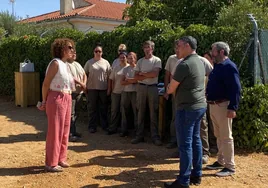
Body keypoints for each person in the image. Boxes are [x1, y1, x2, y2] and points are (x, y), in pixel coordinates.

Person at [165, 36, 207, 188]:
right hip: (199, 106)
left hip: (187, 108)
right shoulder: (200, 61)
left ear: (188, 46)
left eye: (180, 45)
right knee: (196, 140)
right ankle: (197, 175)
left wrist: (169, 86)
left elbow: (171, 88)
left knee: (185, 144)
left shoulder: (184, 65)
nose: (178, 48)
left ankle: (183, 181)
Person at [38, 38, 76, 172]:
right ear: (61, 49)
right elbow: (46, 83)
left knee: (65, 130)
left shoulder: (65, 65)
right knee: (55, 131)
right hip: (56, 97)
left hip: (67, 97)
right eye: (69, 47)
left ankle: (61, 158)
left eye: (72, 47)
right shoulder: (55, 63)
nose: (72, 50)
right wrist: (44, 101)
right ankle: (51, 163)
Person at [206, 42, 241, 177]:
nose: (211, 53)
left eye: (213, 51)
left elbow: (235, 88)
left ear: (221, 52)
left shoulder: (229, 66)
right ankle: (221, 161)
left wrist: (233, 107)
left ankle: (230, 166)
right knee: (219, 135)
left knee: (226, 136)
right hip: (214, 105)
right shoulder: (218, 66)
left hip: (223, 106)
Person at [133, 40, 162, 146]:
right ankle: (139, 135)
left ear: (152, 48)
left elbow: (155, 74)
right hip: (141, 88)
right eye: (145, 47)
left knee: (153, 112)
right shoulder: (140, 61)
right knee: (140, 111)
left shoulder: (156, 60)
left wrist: (143, 74)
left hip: (152, 88)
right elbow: (136, 76)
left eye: (148, 47)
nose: (146, 49)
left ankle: (155, 136)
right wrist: (147, 74)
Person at [84, 45, 111, 133]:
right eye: (96, 51)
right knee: (92, 108)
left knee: (103, 108)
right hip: (92, 88)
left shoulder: (106, 62)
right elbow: (84, 75)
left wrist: (109, 88)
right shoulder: (89, 62)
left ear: (102, 52)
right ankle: (92, 126)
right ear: (93, 52)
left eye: (99, 51)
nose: (98, 53)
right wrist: (85, 86)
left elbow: (109, 76)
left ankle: (104, 126)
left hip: (103, 88)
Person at [106, 51, 129, 135]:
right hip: (115, 92)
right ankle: (112, 128)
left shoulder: (129, 68)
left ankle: (124, 130)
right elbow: (111, 79)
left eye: (124, 57)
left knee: (124, 111)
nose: (122, 59)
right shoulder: (116, 68)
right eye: (121, 57)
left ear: (127, 58)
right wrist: (110, 89)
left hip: (126, 92)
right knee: (114, 110)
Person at [164, 41, 181, 149]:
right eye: (176, 47)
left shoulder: (187, 59)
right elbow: (167, 76)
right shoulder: (171, 59)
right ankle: (173, 139)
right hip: (174, 92)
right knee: (175, 116)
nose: (177, 49)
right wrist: (167, 90)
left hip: (184, 93)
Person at [67, 51, 87, 142]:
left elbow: (84, 75)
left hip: (79, 92)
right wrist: (81, 84)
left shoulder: (77, 64)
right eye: (72, 53)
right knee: (71, 114)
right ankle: (70, 134)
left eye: (75, 53)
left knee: (76, 113)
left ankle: (74, 131)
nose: (74, 54)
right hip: (72, 92)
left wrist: (84, 84)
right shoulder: (66, 64)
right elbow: (71, 77)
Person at [120, 52, 138, 137]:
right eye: (129, 58)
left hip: (135, 92)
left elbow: (137, 80)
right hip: (125, 92)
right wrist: (132, 81)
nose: (130, 60)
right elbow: (122, 82)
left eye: (132, 58)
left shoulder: (138, 68)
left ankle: (137, 131)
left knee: (136, 111)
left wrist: (129, 80)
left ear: (135, 58)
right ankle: (124, 130)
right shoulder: (125, 69)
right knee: (124, 111)